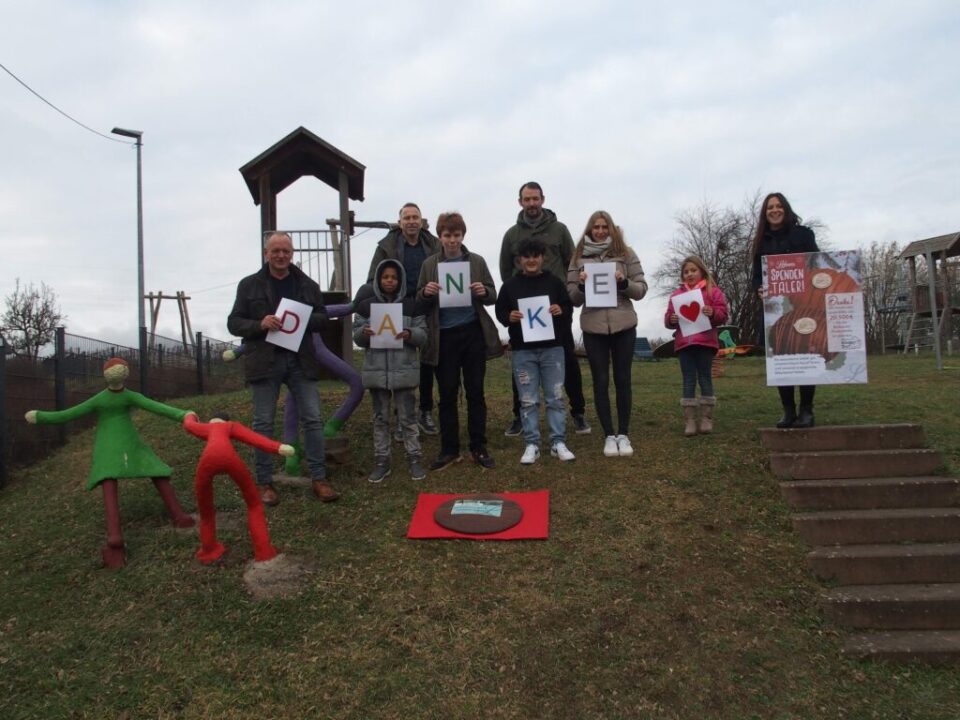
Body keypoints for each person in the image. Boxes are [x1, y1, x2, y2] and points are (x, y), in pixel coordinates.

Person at [25, 357, 195, 569]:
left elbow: (68, 414)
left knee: (109, 480)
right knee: (155, 470)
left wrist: (40, 417)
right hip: (130, 442)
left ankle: (115, 537)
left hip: (108, 447)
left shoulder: (100, 399)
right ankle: (179, 516)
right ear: (126, 373)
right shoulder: (129, 395)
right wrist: (183, 415)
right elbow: (156, 407)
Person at [227, 231, 336, 506]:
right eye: (275, 250)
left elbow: (323, 318)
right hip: (265, 361)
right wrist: (260, 324)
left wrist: (303, 319)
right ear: (266, 253)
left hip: (301, 360)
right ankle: (265, 482)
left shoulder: (307, 285)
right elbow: (234, 323)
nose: (280, 255)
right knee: (263, 422)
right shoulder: (249, 285)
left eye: (285, 251)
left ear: (292, 254)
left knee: (313, 419)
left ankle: (319, 478)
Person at [500, 181, 589, 436]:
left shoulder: (559, 230)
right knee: (521, 361)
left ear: (543, 199)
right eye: (527, 199)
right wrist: (515, 297)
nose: (531, 203)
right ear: (520, 202)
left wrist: (565, 297)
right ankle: (519, 415)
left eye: (535, 198)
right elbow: (506, 270)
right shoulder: (511, 235)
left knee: (566, 358)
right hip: (523, 312)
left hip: (555, 307)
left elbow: (573, 263)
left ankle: (578, 411)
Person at [417, 212, 503, 471]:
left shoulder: (476, 261)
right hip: (443, 336)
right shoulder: (429, 264)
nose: (452, 240)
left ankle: (478, 446)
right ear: (440, 237)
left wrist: (483, 291)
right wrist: (426, 292)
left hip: (472, 333)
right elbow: (418, 300)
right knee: (447, 394)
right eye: (447, 235)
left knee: (475, 391)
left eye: (456, 235)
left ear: (463, 235)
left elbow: (492, 295)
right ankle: (449, 449)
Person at [567, 211, 647, 456]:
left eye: (604, 227)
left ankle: (623, 434)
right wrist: (581, 286)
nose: (600, 231)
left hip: (624, 324)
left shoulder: (627, 253)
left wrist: (624, 283)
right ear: (589, 230)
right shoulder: (578, 257)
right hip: (593, 327)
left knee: (623, 380)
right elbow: (572, 297)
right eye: (596, 227)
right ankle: (609, 436)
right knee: (600, 381)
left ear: (611, 228)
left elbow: (641, 289)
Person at [496, 238, 575, 464]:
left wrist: (560, 309)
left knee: (555, 397)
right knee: (528, 399)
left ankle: (558, 442)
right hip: (523, 351)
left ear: (543, 258)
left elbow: (568, 307)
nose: (531, 260)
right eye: (526, 256)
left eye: (536, 256)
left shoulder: (555, 283)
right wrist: (508, 316)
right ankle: (532, 444)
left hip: (553, 349)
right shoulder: (510, 286)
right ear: (519, 260)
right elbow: (500, 311)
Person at [367, 203, 440, 436]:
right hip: (396, 308)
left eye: (415, 217)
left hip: (428, 307)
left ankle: (425, 411)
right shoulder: (386, 246)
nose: (411, 221)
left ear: (421, 221)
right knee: (401, 363)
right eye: (406, 217)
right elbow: (373, 278)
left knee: (428, 360)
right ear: (399, 222)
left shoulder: (434, 245)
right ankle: (402, 415)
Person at [353, 259, 428, 482]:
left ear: (400, 280)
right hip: (377, 372)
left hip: (404, 371)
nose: (389, 281)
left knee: (408, 418)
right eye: (385, 277)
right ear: (378, 279)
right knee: (380, 418)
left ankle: (414, 457)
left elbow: (423, 334)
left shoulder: (412, 305)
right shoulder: (365, 306)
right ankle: (382, 460)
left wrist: (409, 334)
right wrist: (364, 333)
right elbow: (356, 336)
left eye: (394, 277)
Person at [182, 411, 292, 564]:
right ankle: (264, 551)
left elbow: (189, 425)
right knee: (254, 504)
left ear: (211, 420)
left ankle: (208, 550)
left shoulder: (206, 427)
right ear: (227, 420)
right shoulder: (231, 426)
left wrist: (190, 414)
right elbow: (255, 438)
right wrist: (279, 447)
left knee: (205, 509)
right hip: (230, 459)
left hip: (206, 462)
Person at [750, 192, 820, 428]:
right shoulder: (761, 242)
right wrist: (759, 289)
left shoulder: (804, 235)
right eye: (770, 207)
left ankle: (806, 410)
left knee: (806, 355)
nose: (775, 210)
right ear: (765, 213)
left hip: (804, 305)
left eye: (778, 206)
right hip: (776, 310)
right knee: (781, 359)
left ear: (786, 208)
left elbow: (817, 263)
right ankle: (788, 411)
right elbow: (756, 277)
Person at [665, 256, 729, 436]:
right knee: (688, 379)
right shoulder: (676, 295)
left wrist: (713, 312)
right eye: (686, 272)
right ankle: (690, 420)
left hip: (705, 343)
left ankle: (706, 418)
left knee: (705, 377)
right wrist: (671, 319)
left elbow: (723, 314)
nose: (690, 274)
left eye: (693, 270)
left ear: (701, 271)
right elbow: (668, 318)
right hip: (684, 345)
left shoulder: (712, 292)